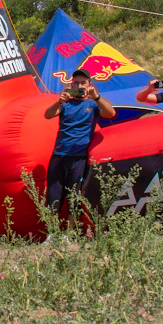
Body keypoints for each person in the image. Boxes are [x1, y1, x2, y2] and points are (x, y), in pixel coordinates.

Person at [43, 69, 116, 234]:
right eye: (76, 83)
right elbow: (48, 115)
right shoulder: (66, 104)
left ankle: (69, 234)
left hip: (79, 157)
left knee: (74, 197)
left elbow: (110, 113)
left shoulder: (92, 104)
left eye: (83, 83)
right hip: (59, 155)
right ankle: (52, 235)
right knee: (53, 197)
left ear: (89, 85)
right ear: (71, 85)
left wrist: (96, 96)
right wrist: (59, 101)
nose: (79, 86)